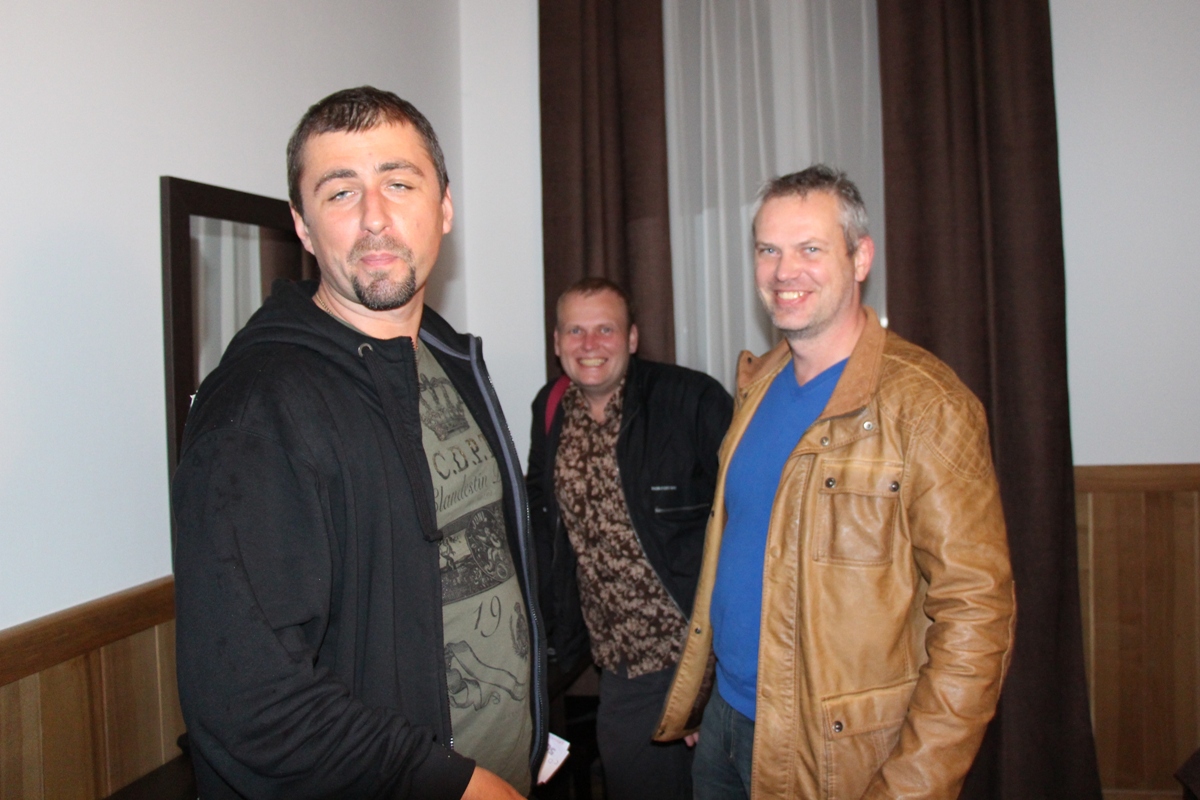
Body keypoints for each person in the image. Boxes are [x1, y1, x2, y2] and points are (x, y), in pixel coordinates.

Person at [172, 86, 544, 800]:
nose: (375, 217)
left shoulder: (446, 356)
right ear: (304, 228)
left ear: (444, 208)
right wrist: (456, 785)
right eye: (340, 192)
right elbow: (249, 702)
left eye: (399, 183)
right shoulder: (258, 407)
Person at [654, 165, 1016, 799]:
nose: (783, 271)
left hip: (839, 761)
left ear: (860, 258)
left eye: (810, 249)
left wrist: (912, 786)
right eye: (768, 250)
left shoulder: (927, 405)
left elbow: (977, 615)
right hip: (726, 727)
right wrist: (712, 694)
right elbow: (746, 553)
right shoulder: (758, 385)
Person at [526, 278, 732, 800]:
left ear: (633, 338)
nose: (589, 344)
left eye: (606, 329)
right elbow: (541, 520)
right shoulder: (550, 409)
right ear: (557, 342)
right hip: (618, 663)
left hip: (699, 657)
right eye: (575, 331)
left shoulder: (691, 400)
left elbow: (751, 526)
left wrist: (714, 677)